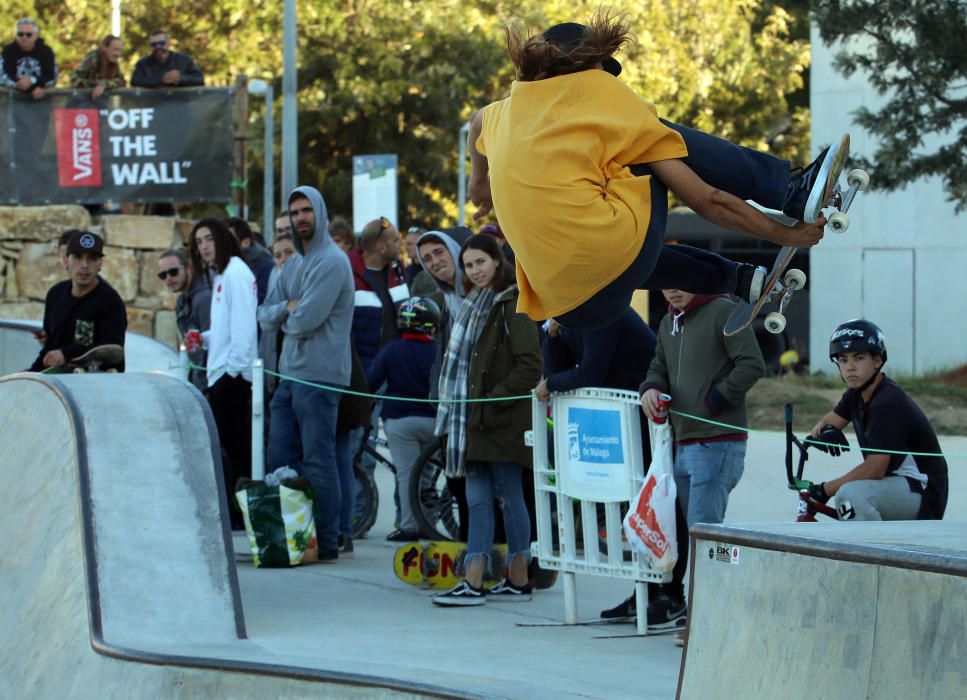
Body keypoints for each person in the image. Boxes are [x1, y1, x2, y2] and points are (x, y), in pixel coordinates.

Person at [467, 15, 830, 333]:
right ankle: (790, 190)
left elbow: (475, 122)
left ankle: (739, 279)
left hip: (566, 306)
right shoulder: (606, 107)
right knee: (656, 136)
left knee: (606, 239)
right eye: (598, 73)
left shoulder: (499, 115)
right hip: (613, 262)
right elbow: (708, 200)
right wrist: (786, 234)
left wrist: (478, 182)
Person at [601, 289, 765, 638]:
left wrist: (715, 400)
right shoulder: (668, 321)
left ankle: (710, 618)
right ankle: (705, 610)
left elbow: (752, 363)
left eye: (681, 281)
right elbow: (657, 366)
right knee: (697, 534)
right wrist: (649, 387)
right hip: (683, 442)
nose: (672, 289)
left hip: (718, 443)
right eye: (666, 283)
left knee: (707, 536)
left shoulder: (725, 312)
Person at [432, 235, 542, 606]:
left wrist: (491, 401)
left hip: (500, 418)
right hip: (473, 419)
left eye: (480, 262)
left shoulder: (512, 302)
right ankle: (486, 577)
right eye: (468, 265)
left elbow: (530, 365)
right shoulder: (473, 304)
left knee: (509, 498)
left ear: (497, 261)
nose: (474, 271)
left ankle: (507, 576)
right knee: (479, 498)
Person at [266, 186, 355, 563]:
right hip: (290, 376)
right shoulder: (297, 264)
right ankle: (295, 535)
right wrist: (286, 307)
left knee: (320, 461)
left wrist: (285, 313)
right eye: (295, 211)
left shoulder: (332, 262)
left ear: (319, 212)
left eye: (307, 210)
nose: (301, 217)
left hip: (319, 378)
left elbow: (305, 321)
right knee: (279, 458)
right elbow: (267, 313)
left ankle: (328, 540)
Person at [801, 320, 948, 521]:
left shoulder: (887, 402)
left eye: (858, 358)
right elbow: (820, 427)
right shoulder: (855, 394)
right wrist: (826, 431)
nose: (850, 367)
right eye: (843, 360)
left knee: (850, 496)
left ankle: (878, 551)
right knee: (850, 496)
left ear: (877, 361)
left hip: (921, 490)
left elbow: (875, 469)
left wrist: (825, 489)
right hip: (895, 485)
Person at [188, 218, 257, 528]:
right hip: (221, 374)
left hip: (233, 378)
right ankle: (230, 513)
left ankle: (237, 516)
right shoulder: (221, 276)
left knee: (235, 451)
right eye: (198, 241)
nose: (203, 246)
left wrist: (233, 372)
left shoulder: (237, 274)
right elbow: (226, 329)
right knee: (225, 449)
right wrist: (202, 338)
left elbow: (244, 330)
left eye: (208, 239)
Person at [366, 296, 441, 542]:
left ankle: (410, 527)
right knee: (427, 476)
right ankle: (430, 523)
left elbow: (371, 382)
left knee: (407, 474)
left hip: (400, 421)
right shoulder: (437, 351)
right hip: (434, 421)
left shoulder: (392, 350)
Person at [29, 231, 126, 372]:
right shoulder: (55, 294)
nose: (85, 265)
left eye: (92, 258)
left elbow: (110, 351)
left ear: (100, 264)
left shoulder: (110, 301)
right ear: (66, 260)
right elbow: (50, 348)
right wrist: (30, 376)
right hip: (58, 383)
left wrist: (66, 354)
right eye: (78, 257)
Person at [348, 217, 409, 372]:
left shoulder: (398, 270)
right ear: (381, 248)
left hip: (398, 367)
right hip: (363, 371)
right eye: (396, 240)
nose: (401, 244)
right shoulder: (347, 275)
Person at [157, 247, 211, 392]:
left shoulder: (204, 299)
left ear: (188, 269)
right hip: (198, 378)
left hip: (211, 380)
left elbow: (212, 347)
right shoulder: (183, 300)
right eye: (163, 275)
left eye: (173, 272)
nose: (169, 278)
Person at [2, 18, 57, 99]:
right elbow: (3, 76)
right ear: (16, 35)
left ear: (36, 36)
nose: (24, 37)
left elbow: (52, 77)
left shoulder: (46, 51)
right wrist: (30, 88)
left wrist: (32, 80)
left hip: (41, 102)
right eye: (20, 34)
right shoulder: (8, 51)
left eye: (29, 34)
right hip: (14, 101)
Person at [130, 29, 204, 88]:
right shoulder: (143, 64)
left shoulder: (184, 60)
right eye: (154, 44)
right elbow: (135, 82)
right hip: (154, 103)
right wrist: (161, 79)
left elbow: (200, 80)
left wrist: (181, 78)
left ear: (168, 43)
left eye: (162, 43)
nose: (158, 47)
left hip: (180, 104)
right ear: (150, 47)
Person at [227, 217, 274, 304]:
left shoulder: (265, 266)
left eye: (228, 240)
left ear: (246, 242)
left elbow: (260, 303)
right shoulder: (220, 265)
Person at [71, 34, 125, 99]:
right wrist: (96, 85)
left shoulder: (113, 63)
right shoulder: (93, 59)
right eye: (115, 50)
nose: (118, 54)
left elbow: (121, 81)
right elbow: (74, 80)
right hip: (80, 103)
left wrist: (104, 84)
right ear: (105, 48)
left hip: (100, 103)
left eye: (120, 51)